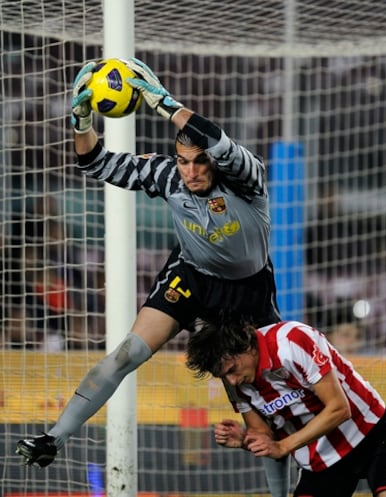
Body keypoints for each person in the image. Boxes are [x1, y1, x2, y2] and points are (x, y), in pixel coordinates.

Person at [16, 58, 289, 497]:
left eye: (199, 163)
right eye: (183, 162)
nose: (192, 171)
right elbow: (95, 163)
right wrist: (82, 118)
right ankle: (54, 437)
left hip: (248, 292)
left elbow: (218, 141)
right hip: (192, 277)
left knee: (256, 405)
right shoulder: (168, 175)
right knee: (125, 354)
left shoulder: (246, 178)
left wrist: (164, 103)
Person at [185, 316, 386, 497]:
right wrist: (245, 439)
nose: (232, 381)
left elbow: (339, 408)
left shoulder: (291, 341)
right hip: (319, 457)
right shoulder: (236, 384)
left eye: (232, 370)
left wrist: (284, 446)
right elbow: (265, 436)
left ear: (245, 345)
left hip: (369, 430)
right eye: (223, 376)